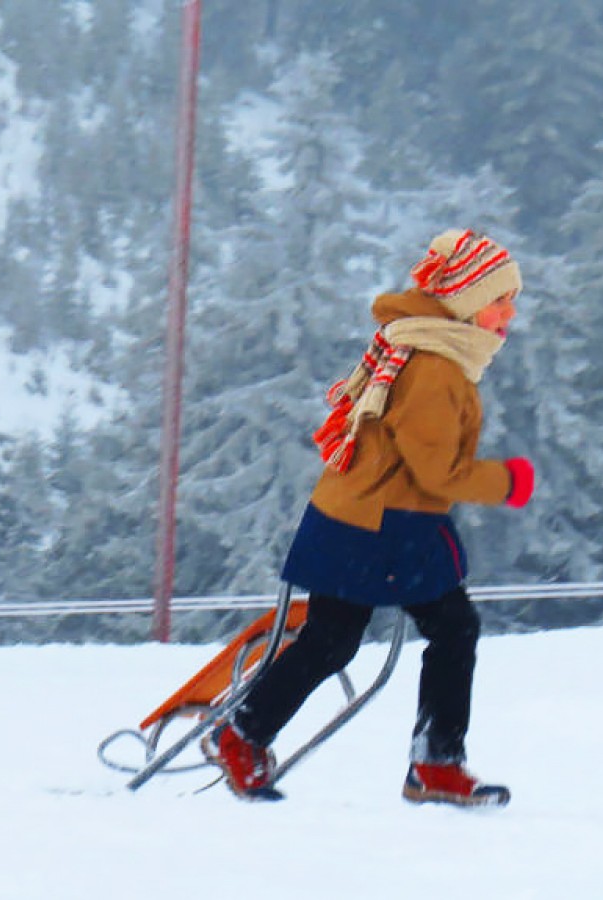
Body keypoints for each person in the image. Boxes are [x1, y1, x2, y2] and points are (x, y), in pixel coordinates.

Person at [202, 228, 535, 805]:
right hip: (385, 527)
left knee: (333, 641)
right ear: (464, 299)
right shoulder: (435, 368)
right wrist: (509, 481)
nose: (510, 312)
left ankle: (244, 733)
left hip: (359, 518)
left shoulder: (423, 346)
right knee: (450, 631)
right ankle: (433, 765)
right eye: (500, 298)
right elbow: (439, 473)